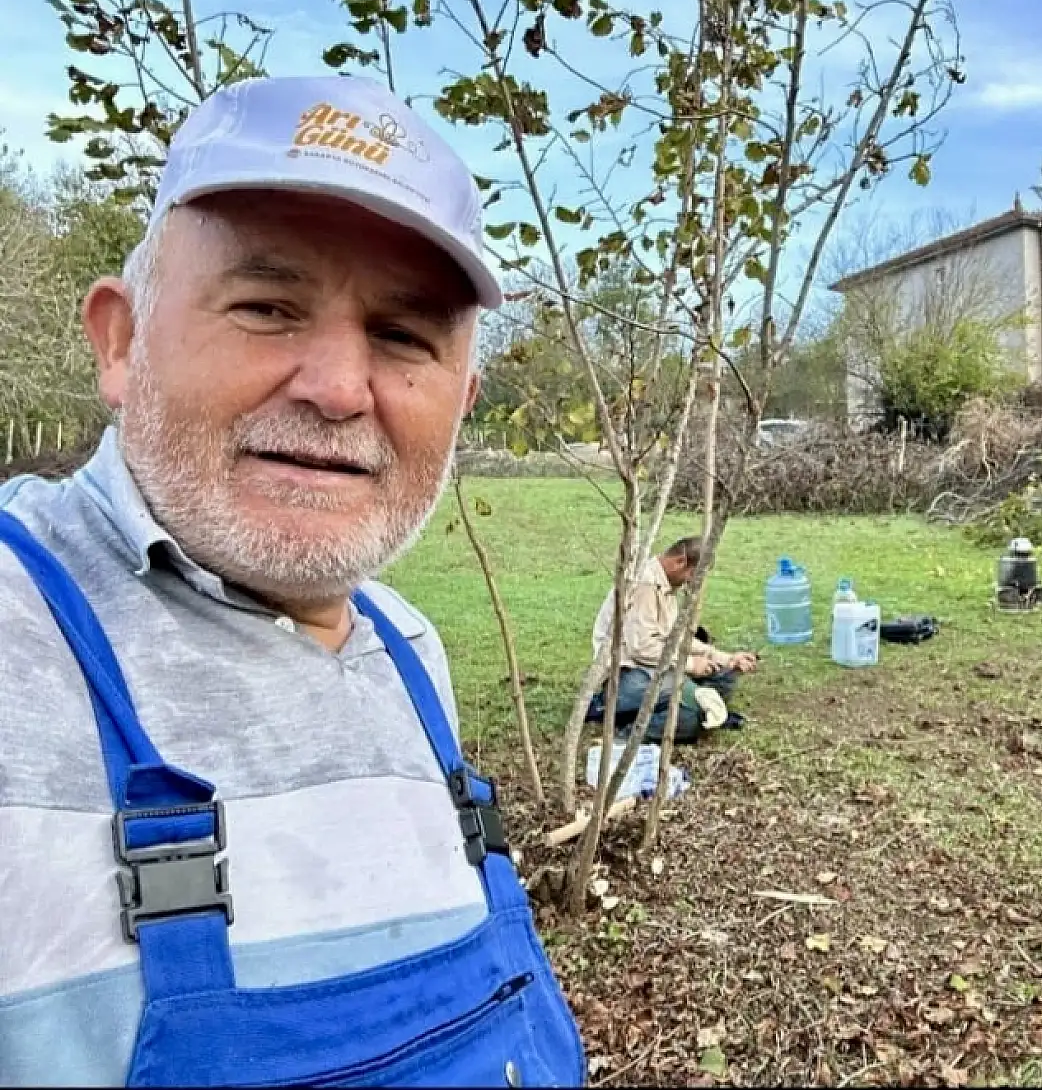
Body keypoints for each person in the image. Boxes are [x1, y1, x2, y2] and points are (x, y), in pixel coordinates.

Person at [0, 76, 586, 1087]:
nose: (337, 388)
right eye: (268, 307)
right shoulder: (22, 637)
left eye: (404, 336)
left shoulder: (407, 653)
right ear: (121, 340)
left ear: (464, 401)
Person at [589, 536, 758, 744]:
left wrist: (722, 657)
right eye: (692, 575)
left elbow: (673, 636)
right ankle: (626, 732)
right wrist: (689, 664)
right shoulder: (645, 584)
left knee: (725, 675)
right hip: (629, 674)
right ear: (680, 562)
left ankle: (677, 707)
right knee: (689, 717)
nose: (690, 582)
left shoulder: (667, 585)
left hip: (655, 667)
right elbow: (641, 649)